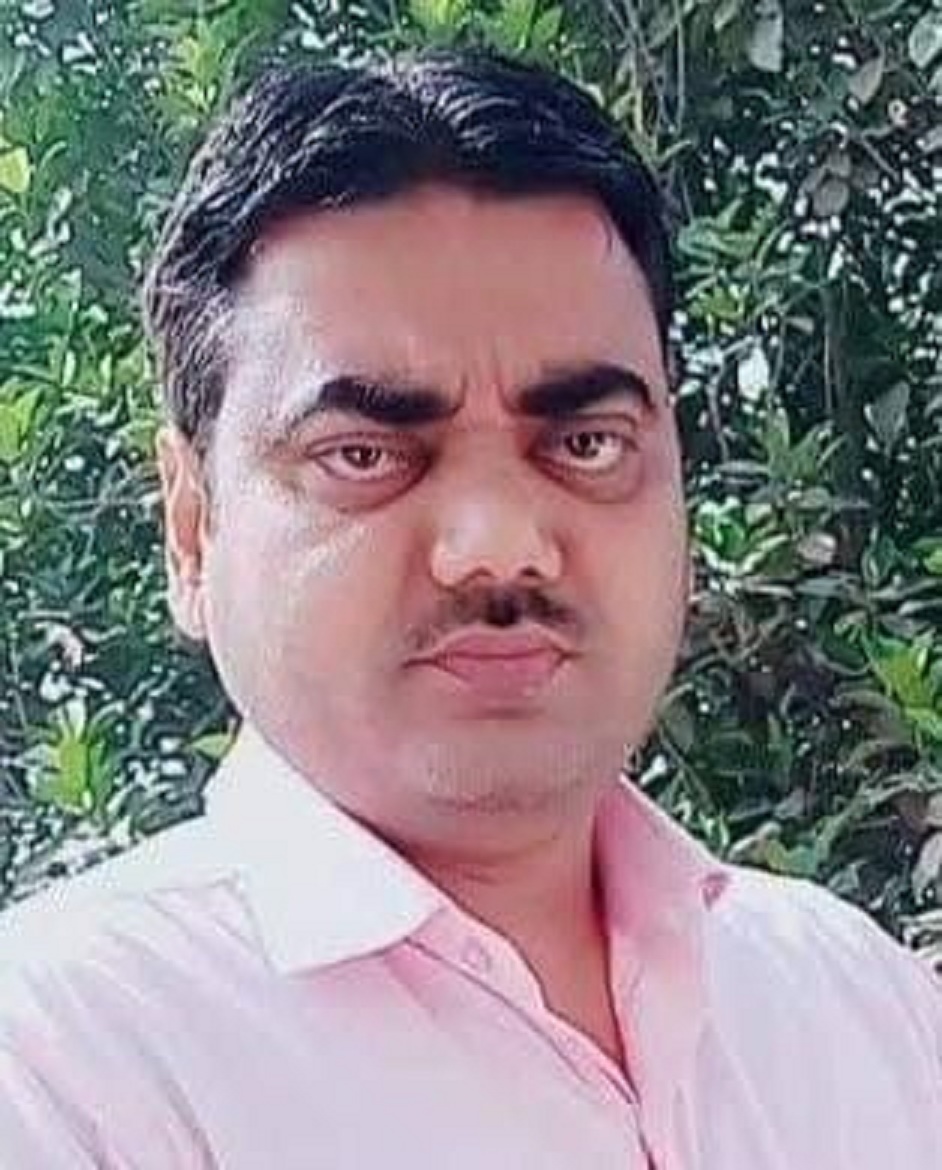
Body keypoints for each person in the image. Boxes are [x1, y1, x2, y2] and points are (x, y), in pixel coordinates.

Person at [0, 46, 939, 1170]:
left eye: (586, 444)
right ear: (193, 528)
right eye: (364, 453)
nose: (499, 543)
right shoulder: (65, 1071)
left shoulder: (857, 1008)